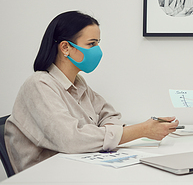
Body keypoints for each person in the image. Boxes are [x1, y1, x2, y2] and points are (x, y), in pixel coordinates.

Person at [4, 11, 179, 173]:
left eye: (98, 44)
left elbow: (109, 115)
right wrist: (142, 130)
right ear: (65, 47)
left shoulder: (79, 84)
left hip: (77, 167)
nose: (97, 51)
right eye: (91, 44)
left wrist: (96, 137)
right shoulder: (38, 85)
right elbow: (71, 140)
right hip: (46, 175)